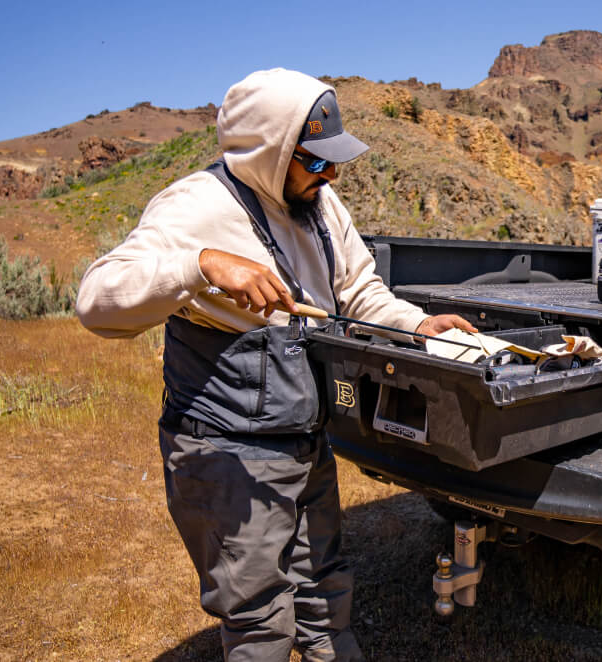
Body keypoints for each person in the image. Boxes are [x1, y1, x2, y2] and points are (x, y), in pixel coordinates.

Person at [76, 68, 475, 662]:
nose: (330, 173)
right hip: (228, 455)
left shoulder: (319, 201)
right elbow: (96, 300)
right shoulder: (196, 206)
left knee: (325, 597)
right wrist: (202, 265)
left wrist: (417, 325)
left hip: (304, 444)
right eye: (315, 159)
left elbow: (360, 291)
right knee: (260, 621)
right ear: (271, 148)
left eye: (333, 160)